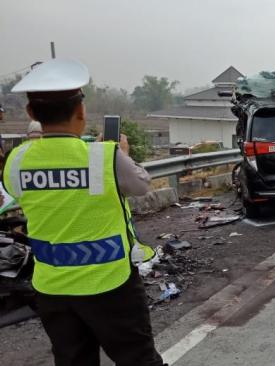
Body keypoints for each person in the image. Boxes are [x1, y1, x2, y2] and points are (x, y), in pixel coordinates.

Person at [4, 59, 164, 366]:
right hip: (111, 285)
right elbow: (141, 185)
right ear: (81, 112)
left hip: (52, 289)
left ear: (31, 114)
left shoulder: (17, 160)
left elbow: (16, 192)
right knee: (138, 359)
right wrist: (122, 154)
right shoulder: (103, 157)